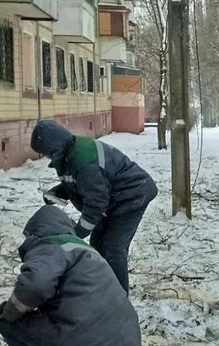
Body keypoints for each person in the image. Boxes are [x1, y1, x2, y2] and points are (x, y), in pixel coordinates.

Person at [0, 206, 142, 346]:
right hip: (125, 345)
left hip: (90, 338)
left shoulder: (49, 245)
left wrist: (10, 312)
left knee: (8, 324)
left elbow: (36, 286)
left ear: (36, 231)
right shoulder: (85, 250)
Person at [30, 119, 157, 294]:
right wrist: (58, 192)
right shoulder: (70, 152)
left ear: (53, 148)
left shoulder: (84, 161)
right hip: (114, 198)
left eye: (46, 153)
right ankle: (103, 285)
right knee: (97, 242)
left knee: (113, 247)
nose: (46, 157)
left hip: (132, 196)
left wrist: (78, 231)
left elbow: (96, 202)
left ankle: (119, 296)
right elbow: (82, 183)